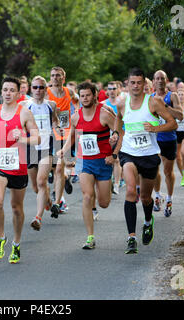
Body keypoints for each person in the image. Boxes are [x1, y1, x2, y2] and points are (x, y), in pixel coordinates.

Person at [113, 67, 178, 254]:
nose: (135, 86)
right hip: (129, 153)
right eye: (132, 82)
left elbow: (173, 123)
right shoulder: (122, 103)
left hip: (149, 155)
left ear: (144, 84)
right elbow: (118, 119)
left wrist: (156, 129)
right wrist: (117, 135)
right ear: (127, 84)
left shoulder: (153, 103)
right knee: (131, 191)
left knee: (145, 198)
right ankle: (131, 237)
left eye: (139, 82)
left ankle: (148, 222)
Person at [0, 76, 40, 264]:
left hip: (18, 165)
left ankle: (17, 242)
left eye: (12, 90)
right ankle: (1, 237)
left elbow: (37, 138)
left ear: (18, 93)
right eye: (5, 90)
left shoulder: (24, 114)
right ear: (1, 91)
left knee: (16, 208)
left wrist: (23, 139)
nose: (8, 93)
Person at [58, 81, 116, 249]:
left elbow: (120, 131)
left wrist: (114, 152)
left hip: (104, 161)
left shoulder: (104, 114)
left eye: (88, 95)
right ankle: (90, 237)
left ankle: (100, 192)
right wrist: (64, 149)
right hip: (84, 161)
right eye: (82, 96)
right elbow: (73, 136)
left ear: (95, 95)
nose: (84, 98)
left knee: (104, 203)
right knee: (87, 196)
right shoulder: (76, 116)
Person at [20, 76, 58, 231]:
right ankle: (49, 203)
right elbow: (19, 123)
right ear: (30, 88)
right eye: (35, 87)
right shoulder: (24, 105)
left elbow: (54, 120)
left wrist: (57, 128)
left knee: (42, 181)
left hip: (46, 147)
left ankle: (38, 218)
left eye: (41, 87)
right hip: (30, 148)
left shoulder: (51, 105)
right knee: (36, 187)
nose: (38, 90)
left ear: (45, 89)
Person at [46, 66, 79, 217]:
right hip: (50, 134)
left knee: (60, 167)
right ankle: (65, 179)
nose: (55, 78)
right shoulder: (45, 93)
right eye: (53, 75)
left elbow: (77, 101)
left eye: (58, 75)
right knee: (55, 169)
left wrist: (77, 114)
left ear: (63, 78)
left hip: (65, 134)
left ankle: (59, 201)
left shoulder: (69, 92)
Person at [151, 70, 183, 217]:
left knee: (167, 172)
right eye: (157, 78)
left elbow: (180, 116)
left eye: (162, 78)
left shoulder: (173, 96)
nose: (159, 81)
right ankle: (157, 196)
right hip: (154, 139)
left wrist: (165, 106)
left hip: (169, 138)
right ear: (153, 81)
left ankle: (169, 199)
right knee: (154, 170)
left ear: (166, 80)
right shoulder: (149, 98)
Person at [103, 81, 123, 195]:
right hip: (106, 135)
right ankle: (108, 181)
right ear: (107, 91)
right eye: (109, 89)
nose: (112, 91)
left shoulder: (122, 103)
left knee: (116, 159)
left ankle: (116, 184)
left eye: (114, 88)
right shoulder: (103, 103)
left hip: (119, 133)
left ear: (117, 90)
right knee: (106, 160)